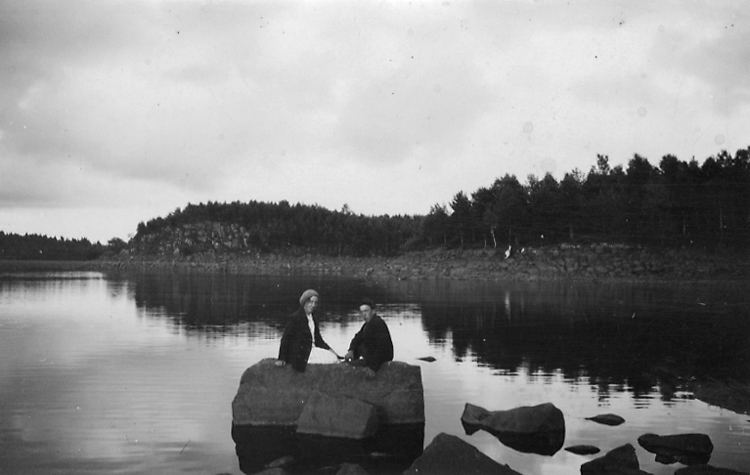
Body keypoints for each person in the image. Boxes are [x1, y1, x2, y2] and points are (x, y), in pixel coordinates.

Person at [276, 289, 340, 371]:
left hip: (311, 349)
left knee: (333, 357)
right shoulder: (295, 318)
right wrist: (282, 358)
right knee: (330, 359)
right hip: (300, 352)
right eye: (310, 302)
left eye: (315, 303)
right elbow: (286, 338)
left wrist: (330, 350)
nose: (313, 305)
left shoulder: (313, 318)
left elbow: (318, 340)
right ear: (304, 303)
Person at [344, 298, 394, 372]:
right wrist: (351, 350)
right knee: (359, 343)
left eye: (366, 311)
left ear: (373, 311)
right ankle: (354, 361)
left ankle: (360, 363)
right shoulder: (367, 324)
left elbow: (382, 348)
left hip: (383, 357)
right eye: (362, 312)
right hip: (372, 355)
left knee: (362, 345)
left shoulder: (378, 323)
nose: (364, 314)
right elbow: (357, 337)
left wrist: (373, 368)